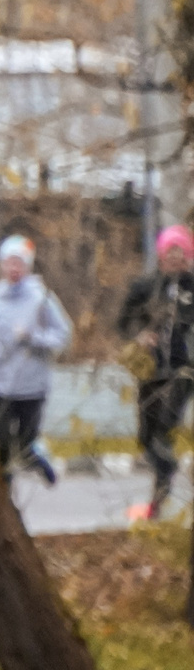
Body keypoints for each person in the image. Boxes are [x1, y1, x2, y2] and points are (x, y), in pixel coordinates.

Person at [0, 235, 70, 487]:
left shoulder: (41, 299)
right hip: (0, 384)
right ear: (0, 265)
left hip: (32, 385)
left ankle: (41, 462)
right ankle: (4, 495)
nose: (14, 268)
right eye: (9, 263)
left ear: (28, 267)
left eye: (19, 263)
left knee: (26, 444)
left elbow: (63, 335)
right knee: (2, 444)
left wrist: (33, 337)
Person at [121, 224, 194, 522]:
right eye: (170, 252)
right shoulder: (145, 287)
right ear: (161, 255)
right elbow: (123, 322)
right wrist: (140, 335)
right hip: (150, 372)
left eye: (181, 253)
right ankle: (167, 471)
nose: (175, 259)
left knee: (164, 434)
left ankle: (157, 504)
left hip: (182, 372)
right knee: (146, 439)